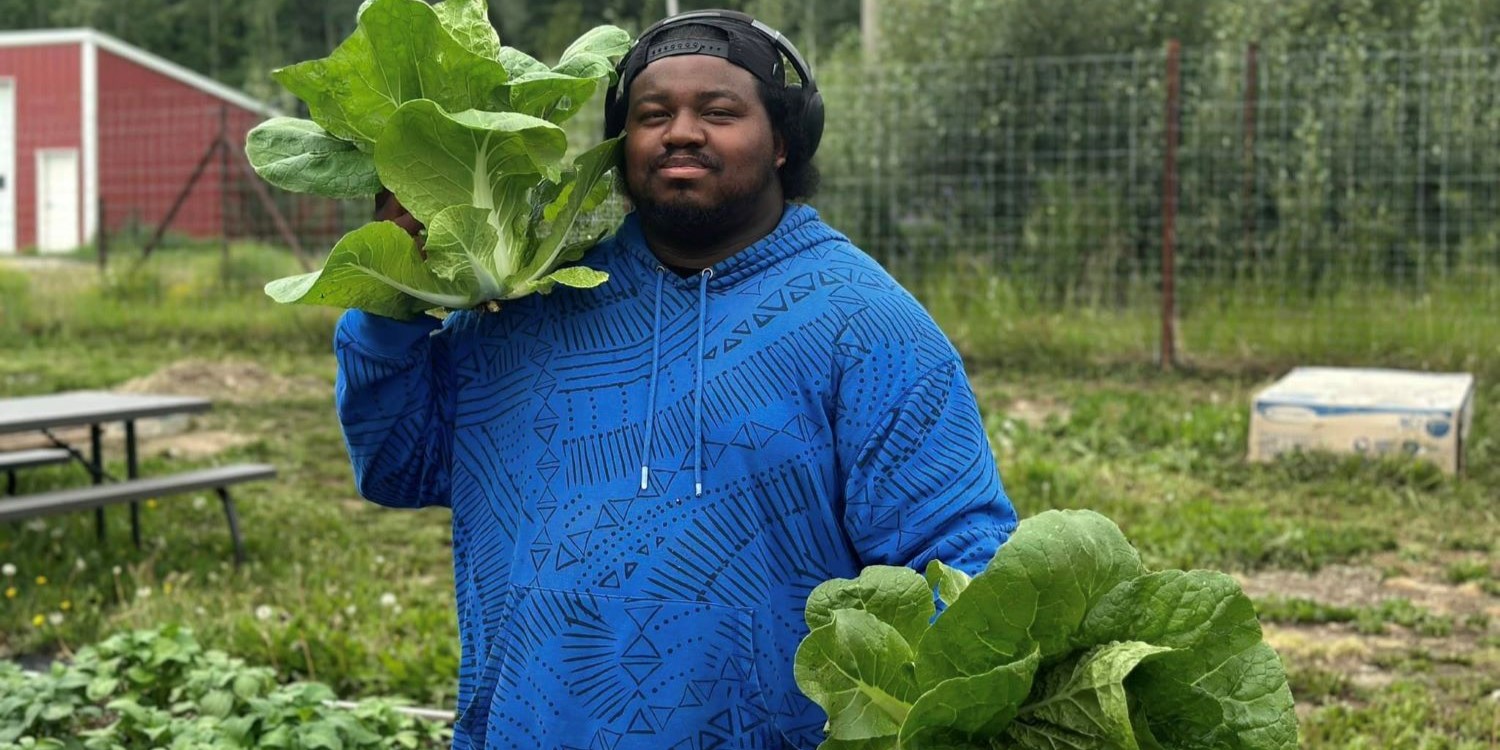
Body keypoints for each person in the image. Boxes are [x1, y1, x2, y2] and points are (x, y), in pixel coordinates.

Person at [335, 9, 1017, 749]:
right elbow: (398, 465)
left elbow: (957, 558)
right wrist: (394, 298)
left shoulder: (865, 325)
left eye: (719, 112)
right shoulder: (536, 300)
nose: (681, 131)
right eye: (653, 114)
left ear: (784, 141)